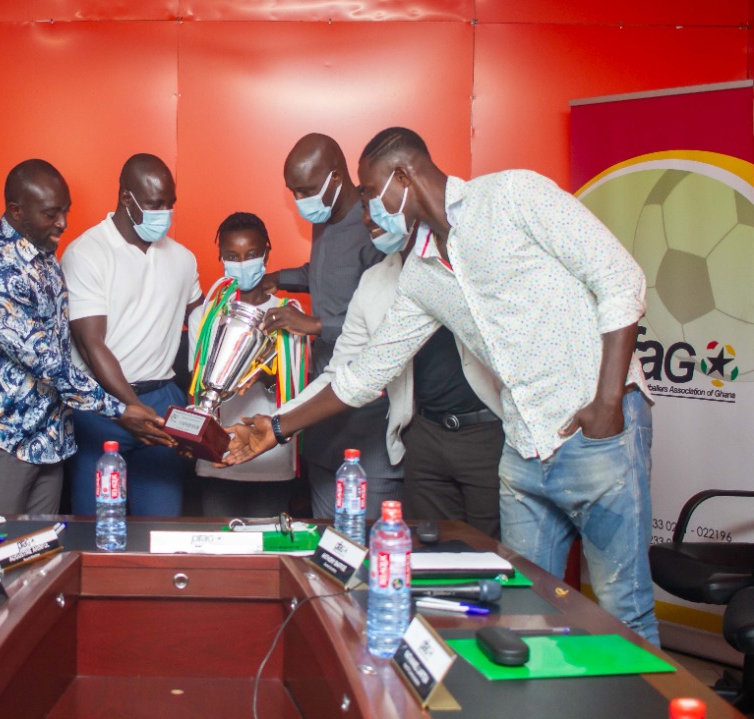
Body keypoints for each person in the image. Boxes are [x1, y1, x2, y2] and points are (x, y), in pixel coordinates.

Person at [225, 127, 659, 644]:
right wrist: (276, 427)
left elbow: (620, 278)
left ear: (402, 176)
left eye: (368, 192)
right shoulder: (422, 277)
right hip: (523, 451)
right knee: (521, 611)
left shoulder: (513, 196)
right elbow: (366, 373)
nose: (366, 212)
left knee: (622, 612)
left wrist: (608, 401)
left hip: (594, 436)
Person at [285, 213, 506, 539]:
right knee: (429, 554)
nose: (366, 217)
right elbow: (343, 370)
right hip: (424, 436)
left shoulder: (468, 254)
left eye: (377, 202)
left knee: (496, 557)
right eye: (364, 204)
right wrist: (278, 422)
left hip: (486, 432)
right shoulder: (375, 280)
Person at [0, 160, 155, 516]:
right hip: (3, 443)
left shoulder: (43, 256)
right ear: (16, 211)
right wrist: (120, 410)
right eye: (51, 213)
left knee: (40, 560)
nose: (63, 223)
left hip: (49, 439)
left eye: (65, 211)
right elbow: (47, 361)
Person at [62, 153, 202, 517]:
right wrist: (129, 408)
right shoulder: (87, 253)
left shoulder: (184, 259)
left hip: (162, 401)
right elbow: (91, 344)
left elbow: (204, 323)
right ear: (127, 197)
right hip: (101, 407)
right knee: (95, 530)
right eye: (156, 204)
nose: (165, 214)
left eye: (170, 204)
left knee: (161, 528)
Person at [264, 133, 393, 519]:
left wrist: (315, 324)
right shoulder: (325, 217)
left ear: (336, 178)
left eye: (305, 190)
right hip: (322, 404)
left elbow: (387, 323)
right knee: (325, 541)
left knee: (363, 537)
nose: (300, 201)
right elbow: (324, 274)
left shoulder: (377, 226)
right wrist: (278, 278)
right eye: (293, 192)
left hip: (369, 408)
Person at [187, 212, 306, 517]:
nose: (242, 262)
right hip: (218, 458)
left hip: (272, 457)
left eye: (251, 255)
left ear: (267, 252)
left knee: (267, 553)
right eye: (232, 256)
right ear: (221, 258)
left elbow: (300, 390)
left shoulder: (288, 314)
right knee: (217, 552)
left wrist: (262, 373)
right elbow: (197, 389)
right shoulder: (206, 316)